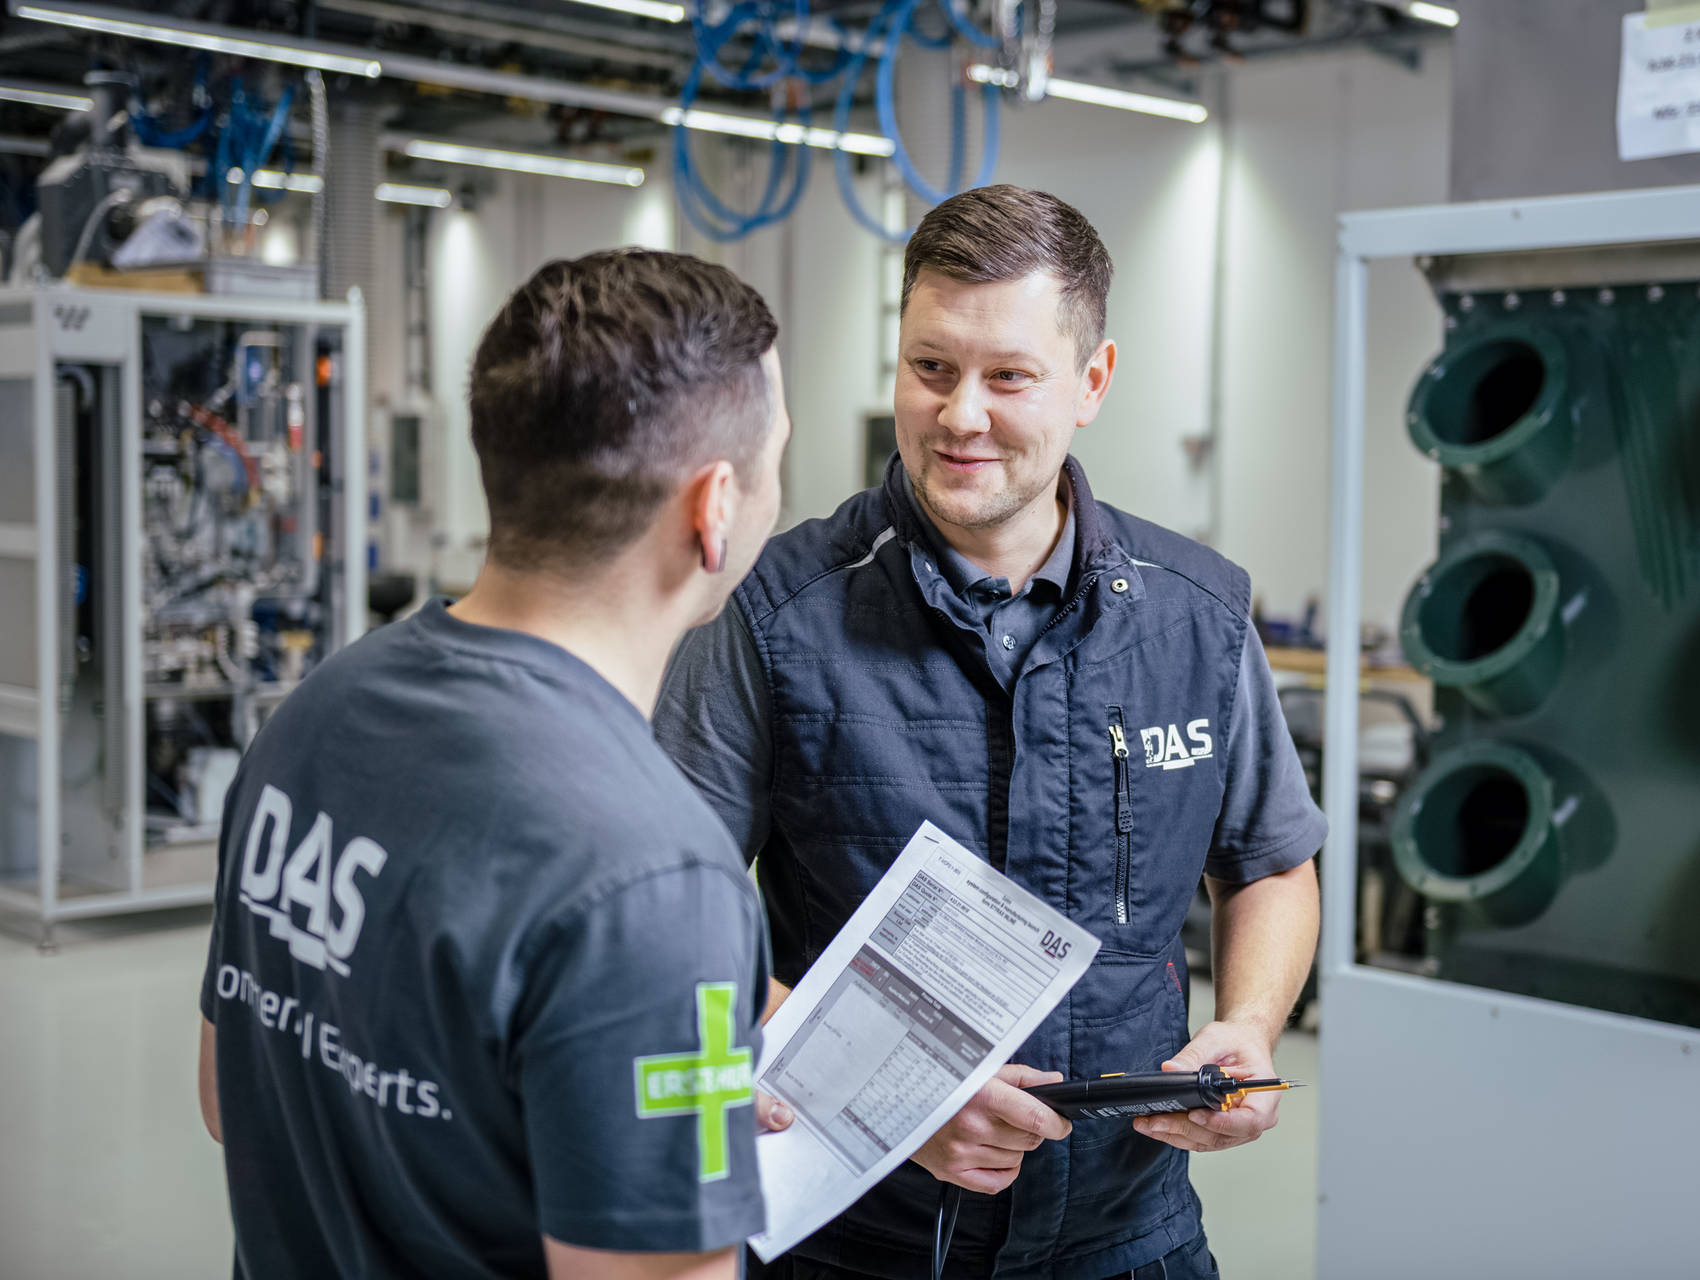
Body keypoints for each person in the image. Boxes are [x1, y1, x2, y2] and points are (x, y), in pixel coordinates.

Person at [655, 186, 1326, 1280]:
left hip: (1129, 1235)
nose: (961, 413)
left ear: (1092, 381)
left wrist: (1248, 1028)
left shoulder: (1197, 616)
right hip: (851, 1238)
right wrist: (883, 1089)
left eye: (1008, 376)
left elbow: (1270, 861)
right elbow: (661, 912)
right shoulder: (776, 617)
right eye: (931, 368)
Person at [197, 249, 795, 1280]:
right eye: (778, 457)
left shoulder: (314, 716)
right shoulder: (655, 873)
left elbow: (227, 1096)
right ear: (716, 507)